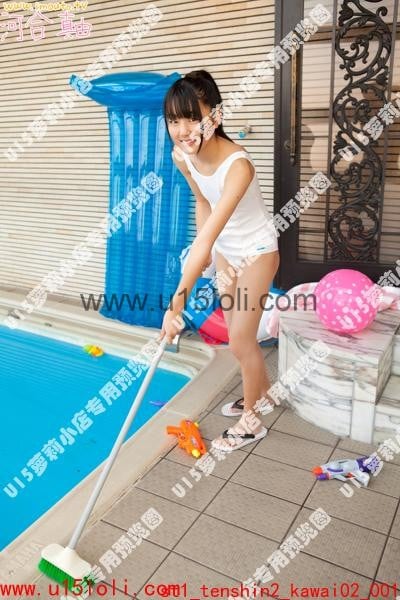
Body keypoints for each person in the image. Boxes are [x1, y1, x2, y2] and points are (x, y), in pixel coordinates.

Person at [158, 70, 280, 451]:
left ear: (216, 116)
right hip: (227, 250)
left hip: (257, 252)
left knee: (242, 341)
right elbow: (203, 202)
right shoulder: (183, 156)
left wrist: (176, 304)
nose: (182, 130)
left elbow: (206, 237)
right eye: (173, 120)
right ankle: (263, 393)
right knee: (234, 334)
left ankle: (252, 423)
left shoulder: (238, 166)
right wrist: (210, 254)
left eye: (192, 118)